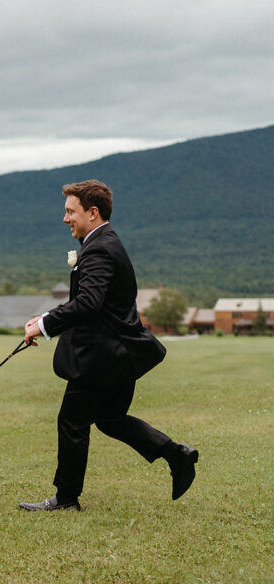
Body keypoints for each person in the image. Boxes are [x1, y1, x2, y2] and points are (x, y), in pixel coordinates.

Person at [19, 180, 198, 511]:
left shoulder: (99, 248)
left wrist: (44, 325)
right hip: (119, 355)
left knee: (73, 420)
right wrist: (44, 319)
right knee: (111, 418)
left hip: (100, 357)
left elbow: (87, 303)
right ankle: (177, 454)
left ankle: (67, 499)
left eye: (70, 212)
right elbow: (97, 304)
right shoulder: (106, 243)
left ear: (92, 212)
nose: (65, 219)